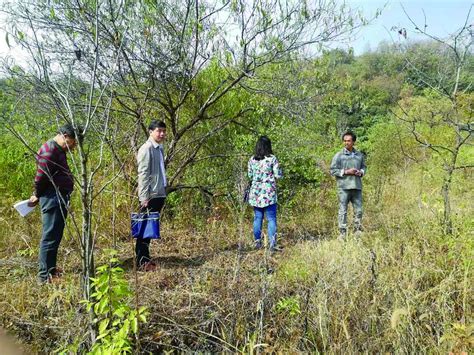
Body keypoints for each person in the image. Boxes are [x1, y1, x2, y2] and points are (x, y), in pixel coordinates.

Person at [28, 123, 82, 284]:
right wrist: (36, 195)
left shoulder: (58, 149)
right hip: (52, 197)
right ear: (65, 136)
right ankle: (44, 276)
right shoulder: (50, 151)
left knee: (55, 235)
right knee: (50, 236)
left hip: (58, 196)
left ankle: (51, 269)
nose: (74, 146)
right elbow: (40, 178)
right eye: (73, 141)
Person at [136, 120, 167, 271]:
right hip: (150, 195)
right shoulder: (146, 149)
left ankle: (145, 258)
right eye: (158, 130)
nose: (161, 134)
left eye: (163, 131)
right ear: (150, 131)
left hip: (159, 193)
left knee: (150, 228)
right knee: (144, 229)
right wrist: (144, 198)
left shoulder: (159, 148)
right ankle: (142, 261)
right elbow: (143, 174)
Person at [247, 136, 283, 251]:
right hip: (269, 193)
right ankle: (272, 244)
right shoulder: (272, 159)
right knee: (271, 219)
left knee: (258, 218)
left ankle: (257, 242)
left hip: (256, 193)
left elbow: (250, 176)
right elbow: (278, 175)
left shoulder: (252, 159)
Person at [330, 130, 366, 239]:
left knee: (359, 210)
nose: (346, 143)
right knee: (343, 211)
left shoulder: (359, 155)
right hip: (343, 187)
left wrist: (361, 172)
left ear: (353, 142)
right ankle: (342, 233)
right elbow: (332, 170)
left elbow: (364, 167)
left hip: (357, 186)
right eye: (345, 141)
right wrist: (346, 172)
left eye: (349, 141)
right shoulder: (339, 155)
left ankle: (357, 231)